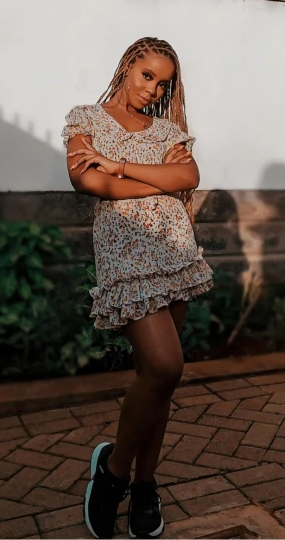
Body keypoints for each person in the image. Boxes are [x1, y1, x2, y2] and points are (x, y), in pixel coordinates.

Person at [62, 36, 214, 539]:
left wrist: (123, 167)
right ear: (128, 66)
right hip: (126, 254)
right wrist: (160, 180)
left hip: (174, 250)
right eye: (147, 75)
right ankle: (113, 473)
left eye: (163, 82)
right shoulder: (87, 119)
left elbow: (188, 173)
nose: (153, 89)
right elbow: (89, 183)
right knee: (167, 365)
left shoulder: (168, 129)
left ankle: (145, 484)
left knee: (161, 378)